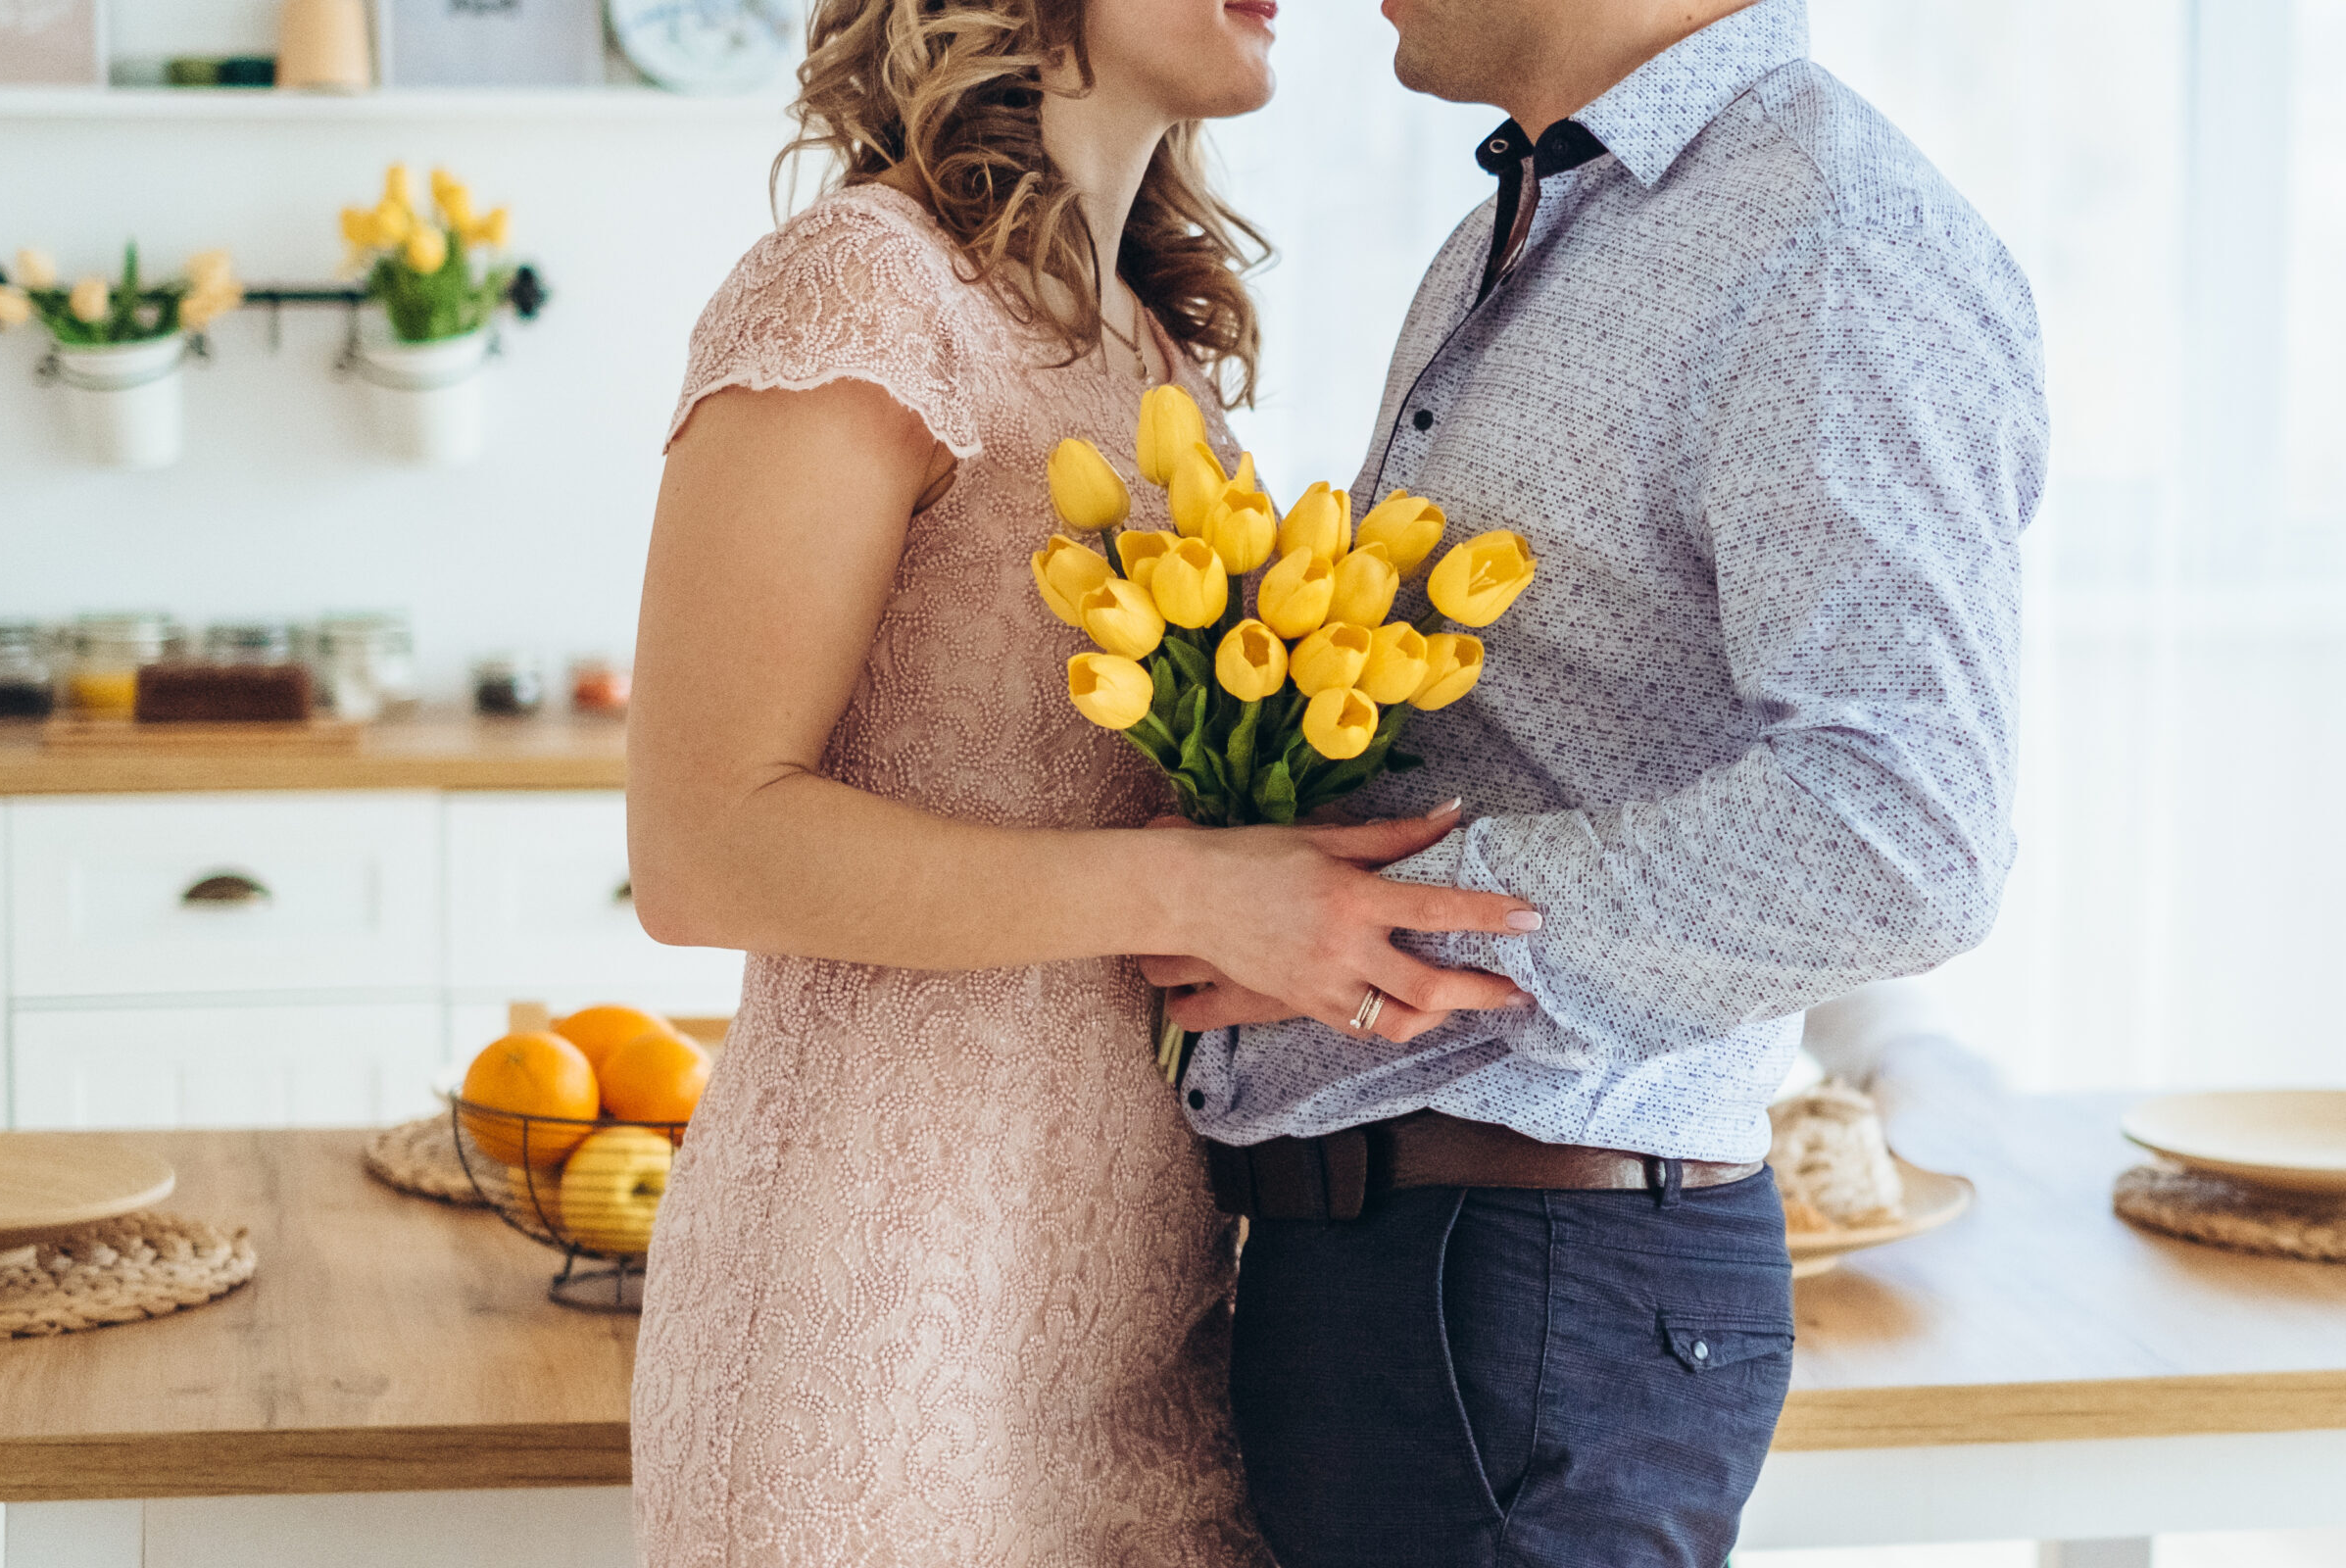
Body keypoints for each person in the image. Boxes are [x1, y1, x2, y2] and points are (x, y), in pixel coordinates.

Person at [618, 0, 1541, 1559]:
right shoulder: (861, 283)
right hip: (874, 1321)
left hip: (1145, 1320)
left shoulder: (1152, 341)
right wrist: (1193, 889)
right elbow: (702, 843)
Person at [1140, 0, 2050, 1562]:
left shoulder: (1833, 243)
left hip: (1521, 1282)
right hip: (1431, 1275)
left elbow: (1907, 833)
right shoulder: (1541, 222)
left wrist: (1377, 924)